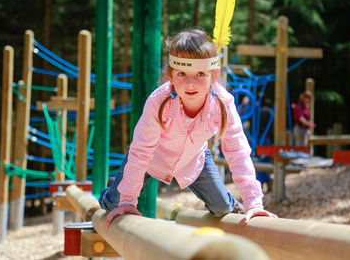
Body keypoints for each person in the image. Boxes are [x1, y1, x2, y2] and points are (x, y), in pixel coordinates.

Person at [99, 28, 277, 227]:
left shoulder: (223, 103)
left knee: (222, 209)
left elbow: (237, 151)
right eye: (182, 74)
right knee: (115, 204)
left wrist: (254, 203)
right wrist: (127, 200)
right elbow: (140, 151)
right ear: (171, 76)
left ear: (214, 75)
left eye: (200, 74)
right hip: (152, 158)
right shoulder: (159, 101)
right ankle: (112, 190)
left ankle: (235, 206)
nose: (191, 83)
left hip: (194, 160)